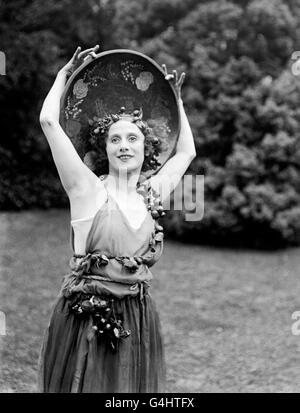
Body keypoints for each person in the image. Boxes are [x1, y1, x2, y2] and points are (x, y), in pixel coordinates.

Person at [37, 45, 196, 393]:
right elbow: (49, 121)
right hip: (86, 320)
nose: (124, 145)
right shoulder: (86, 190)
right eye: (115, 139)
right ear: (104, 148)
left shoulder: (151, 193)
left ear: (145, 148)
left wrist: (175, 102)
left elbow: (186, 152)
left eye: (132, 138)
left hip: (137, 319)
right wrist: (64, 76)